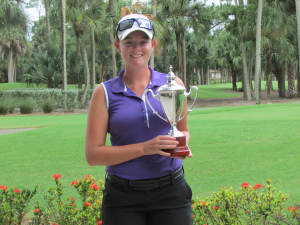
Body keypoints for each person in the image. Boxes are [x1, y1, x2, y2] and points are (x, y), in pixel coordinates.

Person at [85, 13, 193, 225]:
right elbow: (93, 155)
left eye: (143, 42)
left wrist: (181, 144)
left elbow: (184, 131)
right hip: (122, 198)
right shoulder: (104, 92)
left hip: (171, 193)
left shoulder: (172, 84)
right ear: (118, 46)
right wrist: (145, 148)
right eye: (129, 42)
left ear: (153, 44)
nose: (137, 49)